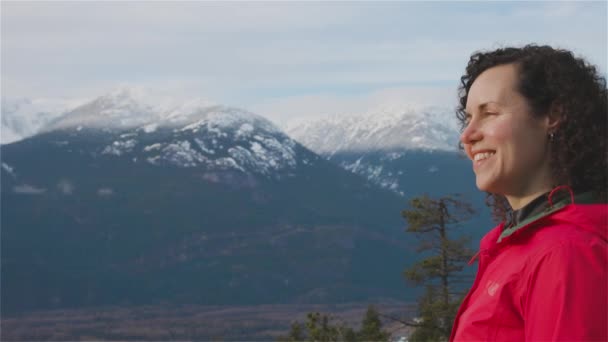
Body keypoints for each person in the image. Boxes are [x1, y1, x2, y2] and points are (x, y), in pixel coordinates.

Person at [450, 44, 607, 341]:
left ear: (553, 115)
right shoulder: (525, 245)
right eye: (468, 117)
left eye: (490, 113)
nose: (467, 136)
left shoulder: (565, 254)